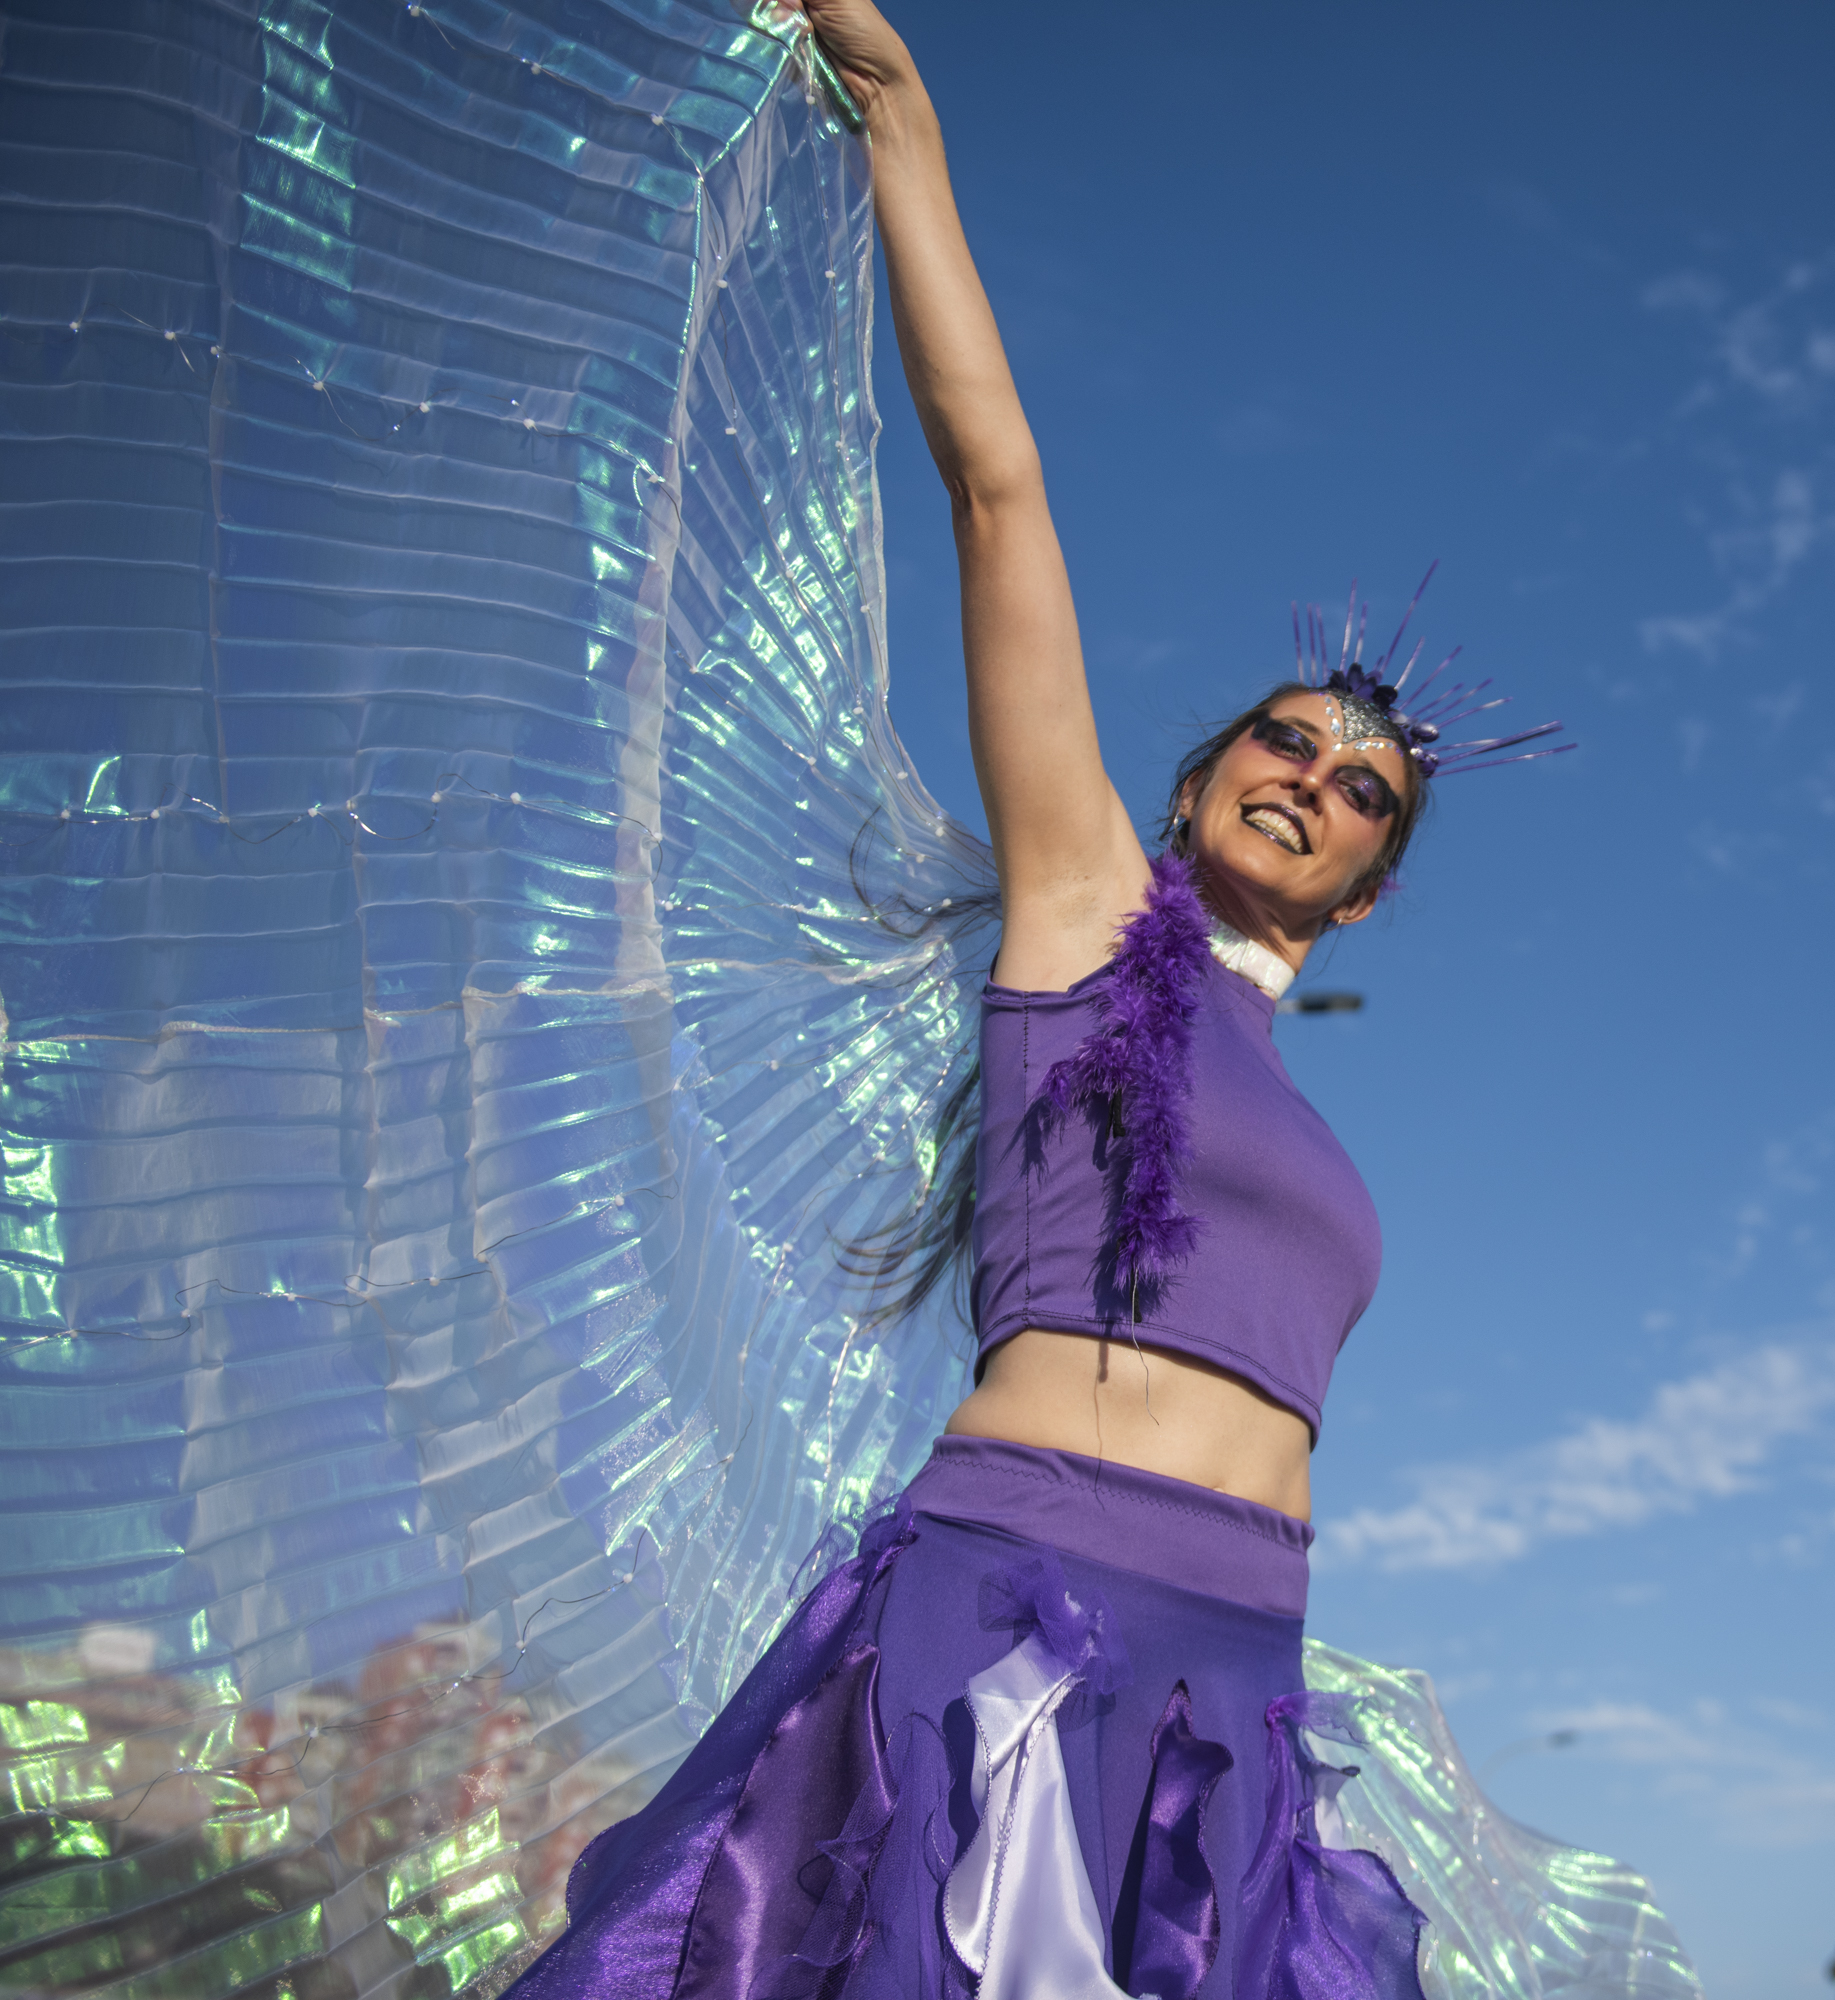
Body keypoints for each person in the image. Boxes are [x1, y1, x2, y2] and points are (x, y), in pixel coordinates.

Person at [501, 4, 1613, 1997]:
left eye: (1364, 790)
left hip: (1235, 1673)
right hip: (1020, 1603)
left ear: (1368, 888)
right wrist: (901, 116)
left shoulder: (1301, 1101)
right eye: (1283, 739)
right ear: (1196, 784)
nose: (1314, 776)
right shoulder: (1091, 924)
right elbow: (996, 490)